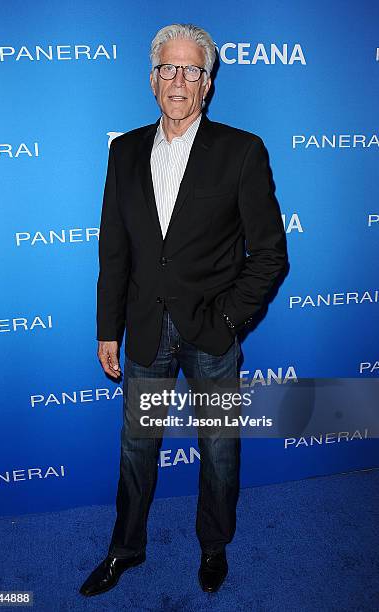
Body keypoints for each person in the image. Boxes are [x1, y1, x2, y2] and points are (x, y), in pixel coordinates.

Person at [80, 23, 288, 597]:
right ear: (152, 80)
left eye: (191, 70)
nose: (178, 80)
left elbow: (270, 254)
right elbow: (113, 249)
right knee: (138, 448)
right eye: (168, 69)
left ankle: (214, 548)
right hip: (145, 329)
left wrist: (227, 319)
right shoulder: (123, 153)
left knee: (219, 451)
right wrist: (107, 330)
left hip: (211, 335)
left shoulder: (242, 151)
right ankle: (126, 549)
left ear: (208, 84)